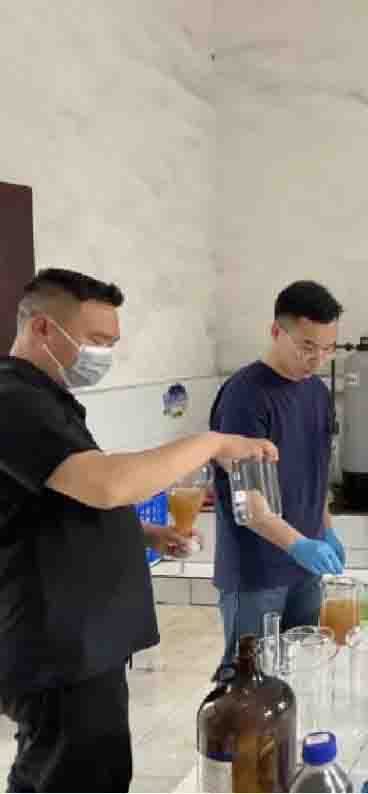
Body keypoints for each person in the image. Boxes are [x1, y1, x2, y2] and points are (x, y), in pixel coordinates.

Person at [0, 269, 276, 793]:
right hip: (58, 646)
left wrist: (143, 535)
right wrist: (213, 442)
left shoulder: (46, 397)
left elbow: (57, 499)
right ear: (41, 328)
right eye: (96, 340)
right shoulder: (12, 398)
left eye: (111, 343)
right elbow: (107, 483)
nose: (104, 355)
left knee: (74, 771)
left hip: (85, 641)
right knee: (76, 777)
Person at [210, 281, 347, 667]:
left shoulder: (317, 392)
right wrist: (299, 544)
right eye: (307, 346)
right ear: (276, 332)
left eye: (328, 348)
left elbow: (315, 473)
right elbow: (249, 504)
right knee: (249, 679)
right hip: (257, 572)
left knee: (301, 671)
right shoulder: (245, 396)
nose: (317, 359)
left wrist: (326, 529)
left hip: (305, 570)